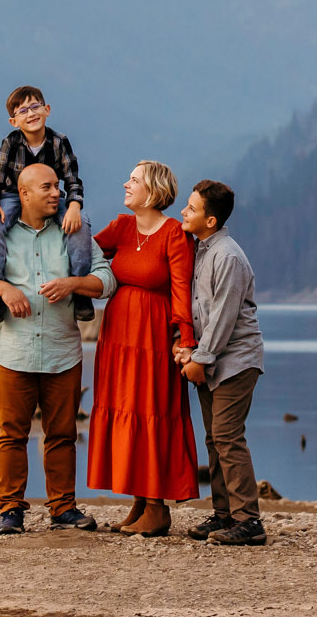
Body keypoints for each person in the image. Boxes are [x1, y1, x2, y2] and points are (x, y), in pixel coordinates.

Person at [0, 163, 117, 534]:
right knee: (12, 434)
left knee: (62, 434)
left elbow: (107, 278)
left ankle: (63, 509)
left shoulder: (74, 232)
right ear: (24, 194)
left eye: (58, 186)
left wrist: (74, 283)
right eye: (47, 187)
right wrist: (3, 289)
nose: (57, 193)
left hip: (63, 352)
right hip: (14, 352)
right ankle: (10, 511)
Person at [86, 160, 199, 537]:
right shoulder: (120, 227)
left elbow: (182, 291)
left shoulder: (173, 234)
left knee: (151, 409)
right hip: (118, 336)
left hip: (152, 338)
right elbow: (80, 254)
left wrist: (184, 341)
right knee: (124, 408)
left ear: (152, 191)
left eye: (133, 180)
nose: (125, 184)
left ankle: (156, 506)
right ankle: (139, 499)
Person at [175, 179, 267, 546]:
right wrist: (189, 351)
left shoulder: (226, 255)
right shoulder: (199, 250)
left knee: (228, 438)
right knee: (215, 439)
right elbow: (199, 311)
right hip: (211, 359)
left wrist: (201, 358)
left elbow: (224, 317)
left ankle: (249, 522)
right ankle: (224, 514)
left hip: (236, 361)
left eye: (192, 208)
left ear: (209, 221)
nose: (184, 212)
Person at [0, 85, 94, 326]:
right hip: (10, 195)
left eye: (35, 106)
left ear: (47, 110)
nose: (31, 114)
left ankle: (81, 292)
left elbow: (72, 179)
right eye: (22, 111)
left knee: (81, 226)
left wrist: (73, 206)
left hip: (51, 195)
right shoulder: (10, 143)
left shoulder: (59, 142)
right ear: (13, 121)